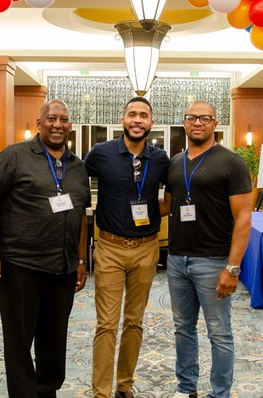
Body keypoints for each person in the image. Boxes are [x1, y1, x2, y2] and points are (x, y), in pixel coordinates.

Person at [0, 99, 91, 398]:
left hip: (63, 269)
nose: (57, 124)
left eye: (64, 119)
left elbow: (80, 216)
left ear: (70, 125)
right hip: (20, 267)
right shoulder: (14, 156)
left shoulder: (78, 167)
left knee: (54, 340)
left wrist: (80, 259)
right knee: (19, 341)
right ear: (39, 122)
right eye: (51, 118)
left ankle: (46, 390)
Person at [162, 100, 252, 398]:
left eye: (204, 118)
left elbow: (243, 218)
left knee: (219, 333)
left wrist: (232, 267)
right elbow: (167, 205)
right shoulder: (175, 162)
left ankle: (219, 394)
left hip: (214, 261)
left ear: (215, 123)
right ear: (184, 123)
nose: (197, 123)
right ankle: (186, 388)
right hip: (176, 260)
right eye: (191, 118)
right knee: (182, 329)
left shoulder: (231, 162)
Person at [84, 97, 170, 398]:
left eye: (143, 115)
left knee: (134, 322)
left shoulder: (160, 159)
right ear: (123, 119)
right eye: (132, 114)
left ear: (151, 122)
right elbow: (76, 182)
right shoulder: (100, 154)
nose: (137, 120)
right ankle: (101, 393)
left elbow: (170, 199)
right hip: (109, 248)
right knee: (106, 324)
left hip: (147, 249)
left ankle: (125, 385)